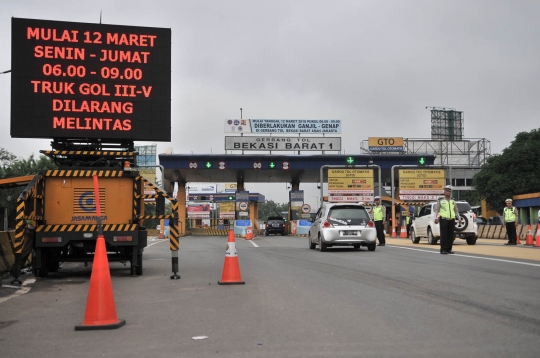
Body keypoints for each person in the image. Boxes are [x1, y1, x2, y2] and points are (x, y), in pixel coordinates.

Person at [434, 185, 460, 254]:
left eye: (450, 191)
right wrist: (436, 218)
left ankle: (449, 249)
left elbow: (456, 210)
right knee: (444, 235)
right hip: (444, 219)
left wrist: (459, 218)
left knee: (450, 235)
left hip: (452, 219)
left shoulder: (453, 201)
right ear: (444, 192)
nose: (448, 192)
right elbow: (436, 210)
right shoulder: (441, 200)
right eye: (447, 191)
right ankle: (443, 249)